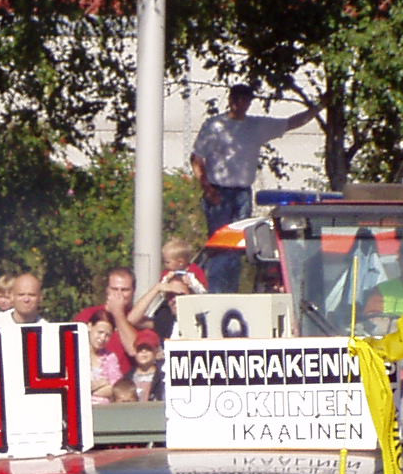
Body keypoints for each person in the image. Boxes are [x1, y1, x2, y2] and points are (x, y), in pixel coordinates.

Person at [189, 82, 317, 234]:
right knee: (220, 239)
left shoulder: (256, 125)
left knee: (241, 238)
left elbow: (291, 123)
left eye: (244, 100)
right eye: (235, 99)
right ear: (230, 100)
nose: (239, 103)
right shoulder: (214, 125)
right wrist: (208, 189)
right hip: (218, 191)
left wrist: (320, 107)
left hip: (243, 193)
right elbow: (197, 158)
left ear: (249, 102)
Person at [129, 238, 205, 339]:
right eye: (170, 296)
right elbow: (132, 320)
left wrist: (192, 284)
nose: (174, 300)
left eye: (179, 295)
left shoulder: (205, 323)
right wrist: (157, 288)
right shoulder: (164, 320)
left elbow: (204, 292)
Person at [73, 267, 152, 360]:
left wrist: (118, 313)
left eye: (125, 290)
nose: (119, 294)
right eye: (114, 289)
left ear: (133, 291)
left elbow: (134, 350)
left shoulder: (142, 322)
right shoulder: (88, 315)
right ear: (107, 290)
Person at [128, 337, 164, 402]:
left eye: (148, 349)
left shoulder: (163, 378)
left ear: (156, 352)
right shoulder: (127, 378)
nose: (143, 351)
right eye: (139, 349)